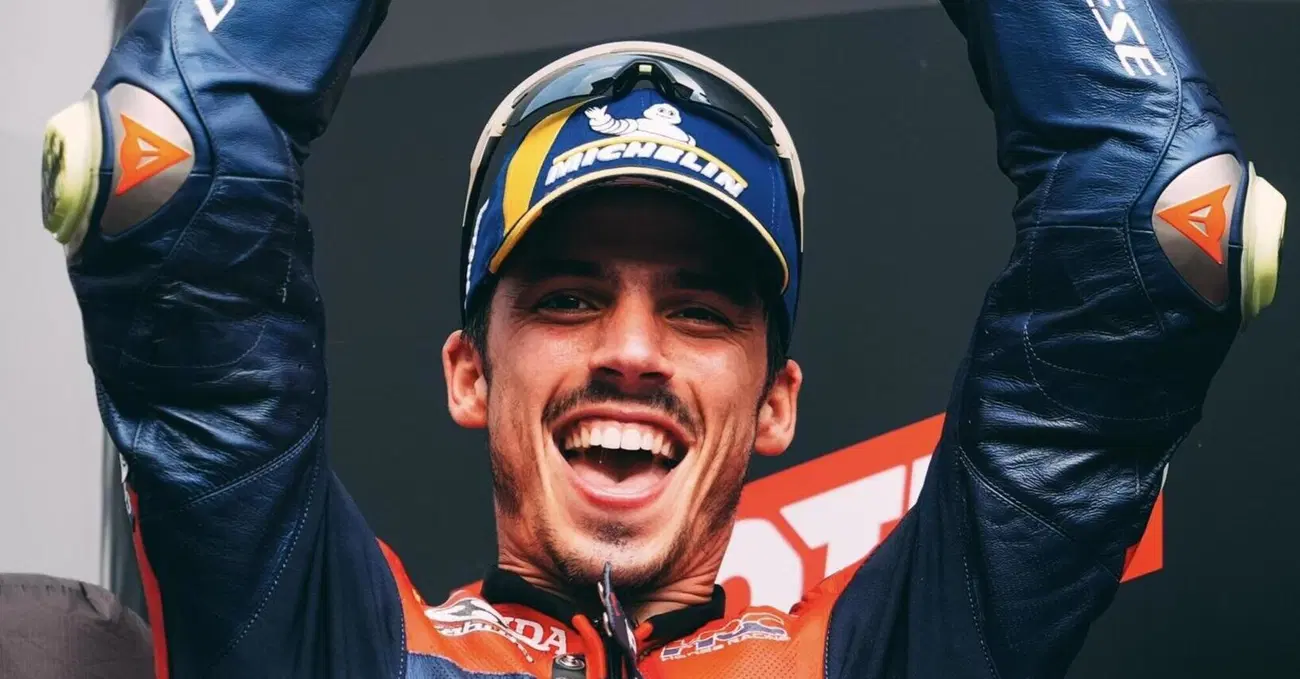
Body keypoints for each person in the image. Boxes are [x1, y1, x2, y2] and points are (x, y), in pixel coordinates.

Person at [38, 0, 1286, 676]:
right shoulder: (336, 648)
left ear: (777, 399)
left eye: (698, 310)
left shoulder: (882, 660)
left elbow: (1160, 224)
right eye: (568, 298)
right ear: (470, 372)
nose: (632, 349)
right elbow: (171, 173)